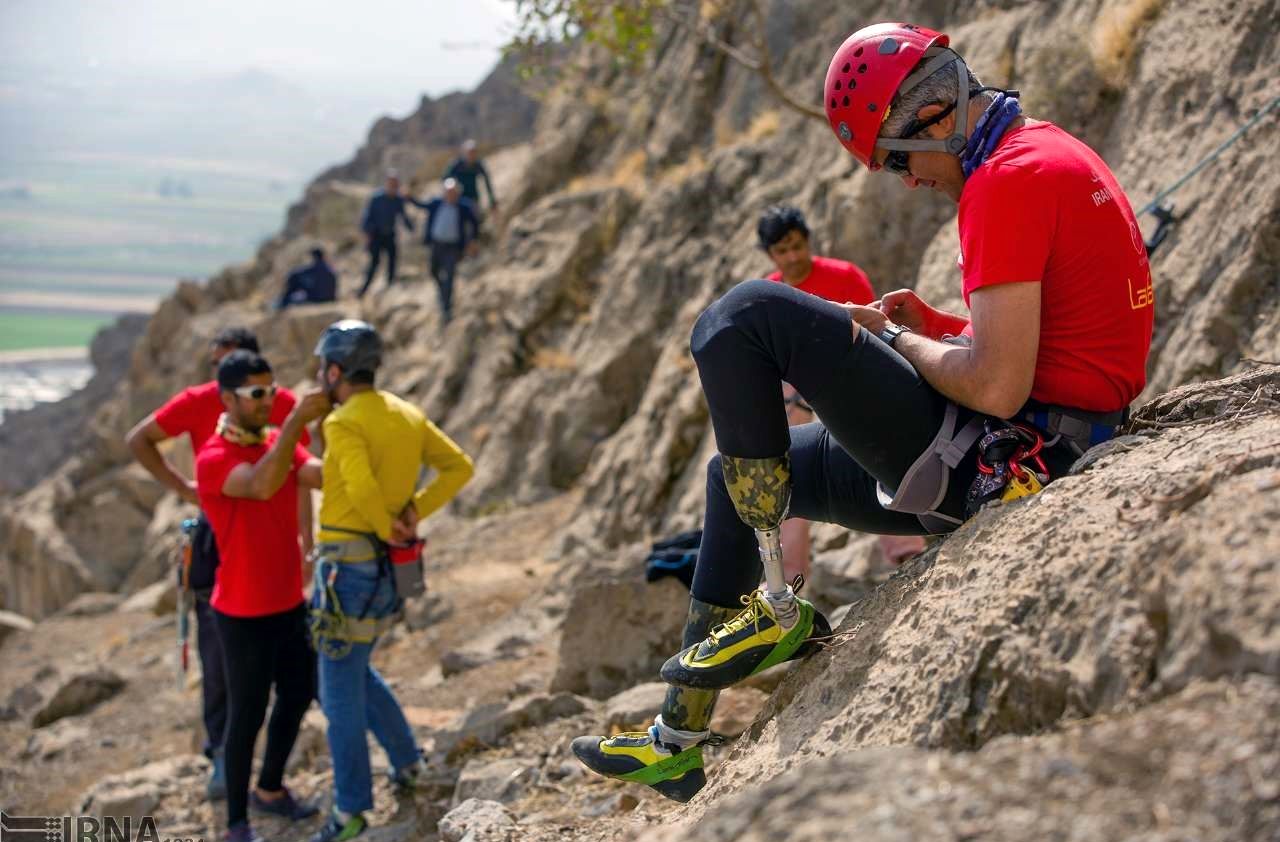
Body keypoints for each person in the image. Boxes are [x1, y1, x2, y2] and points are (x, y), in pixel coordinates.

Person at [572, 21, 1154, 802]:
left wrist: (898, 339)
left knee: (745, 315)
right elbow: (1038, 350)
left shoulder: (1004, 182)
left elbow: (994, 388)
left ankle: (778, 605)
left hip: (1011, 452)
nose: (906, 181)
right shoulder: (1044, 151)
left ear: (936, 115)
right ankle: (676, 739)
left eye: (897, 160)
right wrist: (939, 326)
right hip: (1030, 436)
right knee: (725, 479)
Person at [124, 327, 312, 802]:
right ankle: (221, 759)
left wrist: (306, 540)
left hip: (269, 539)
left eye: (234, 364)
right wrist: (187, 489)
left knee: (279, 672)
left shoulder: (276, 402)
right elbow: (140, 440)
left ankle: (254, 774)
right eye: (219, 367)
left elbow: (297, 476)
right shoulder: (198, 402)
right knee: (218, 652)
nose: (223, 376)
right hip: (218, 531)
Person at [306, 320, 474, 842]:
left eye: (322, 370)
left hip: (345, 569)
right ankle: (409, 765)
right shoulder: (405, 412)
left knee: (338, 698)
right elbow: (458, 467)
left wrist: (387, 522)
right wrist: (411, 514)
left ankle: (351, 808)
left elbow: (356, 486)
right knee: (358, 671)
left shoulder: (344, 422)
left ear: (335, 371)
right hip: (385, 571)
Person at [195, 350, 332, 842]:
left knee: (298, 694)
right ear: (227, 398)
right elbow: (261, 484)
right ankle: (235, 826)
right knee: (246, 717)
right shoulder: (213, 458)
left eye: (272, 391)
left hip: (287, 603)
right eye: (257, 394)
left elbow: (313, 474)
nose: (267, 401)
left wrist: (341, 429)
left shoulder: (275, 441)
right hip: (241, 614)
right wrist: (295, 421)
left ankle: (270, 788)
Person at [758, 204, 928, 571]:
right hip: (795, 391)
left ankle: (906, 548)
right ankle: (789, 577)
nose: (791, 256)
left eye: (795, 245)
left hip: (845, 375)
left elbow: (870, 330)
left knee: (874, 447)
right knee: (789, 470)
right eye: (781, 251)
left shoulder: (844, 276)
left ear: (807, 240)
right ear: (771, 255)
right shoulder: (770, 295)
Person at [406, 178, 480, 325]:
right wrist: (409, 197)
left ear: (457, 193)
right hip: (436, 245)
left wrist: (472, 240)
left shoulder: (464, 207)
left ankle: (446, 308)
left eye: (453, 192)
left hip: (453, 247)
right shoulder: (436, 203)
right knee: (434, 272)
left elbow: (475, 224)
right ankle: (442, 293)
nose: (450, 195)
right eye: (448, 192)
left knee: (450, 276)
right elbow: (422, 205)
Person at [357, 172, 414, 298]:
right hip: (376, 235)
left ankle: (390, 284)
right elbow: (367, 217)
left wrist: (411, 228)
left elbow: (403, 215)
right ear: (387, 184)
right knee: (374, 263)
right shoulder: (376, 198)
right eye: (391, 184)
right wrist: (367, 234)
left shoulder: (398, 199)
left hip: (390, 234)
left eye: (396, 185)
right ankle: (364, 290)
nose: (393, 187)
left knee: (393, 259)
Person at [443, 139, 498, 214]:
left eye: (474, 152)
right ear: (465, 152)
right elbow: (445, 178)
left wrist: (492, 200)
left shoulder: (478, 165)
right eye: (470, 152)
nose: (472, 155)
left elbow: (487, 182)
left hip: (473, 198)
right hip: (459, 199)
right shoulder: (457, 164)